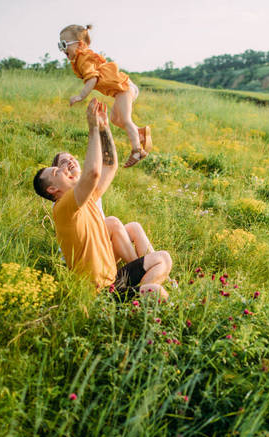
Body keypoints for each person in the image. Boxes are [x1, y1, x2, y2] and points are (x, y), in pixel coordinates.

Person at [33, 99, 171, 300]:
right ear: (53, 189)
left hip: (114, 280)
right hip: (101, 293)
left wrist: (104, 127)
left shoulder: (87, 199)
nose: (65, 167)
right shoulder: (63, 208)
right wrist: (92, 128)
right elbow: (93, 174)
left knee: (163, 258)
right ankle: (138, 297)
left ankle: (137, 296)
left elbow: (110, 166)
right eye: (57, 171)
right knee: (156, 292)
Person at [59, 24, 151, 168]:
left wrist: (81, 96)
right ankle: (140, 132)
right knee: (115, 119)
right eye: (60, 45)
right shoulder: (80, 59)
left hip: (124, 88)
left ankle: (137, 150)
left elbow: (92, 79)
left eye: (64, 44)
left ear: (80, 44)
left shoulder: (83, 58)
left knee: (125, 119)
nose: (62, 49)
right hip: (121, 90)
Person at [51, 151, 155, 263]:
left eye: (72, 158)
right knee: (112, 223)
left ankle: (162, 277)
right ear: (58, 172)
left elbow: (105, 168)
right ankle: (140, 270)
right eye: (64, 162)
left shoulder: (87, 186)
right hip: (85, 258)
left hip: (97, 245)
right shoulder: (66, 199)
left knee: (134, 227)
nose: (70, 161)